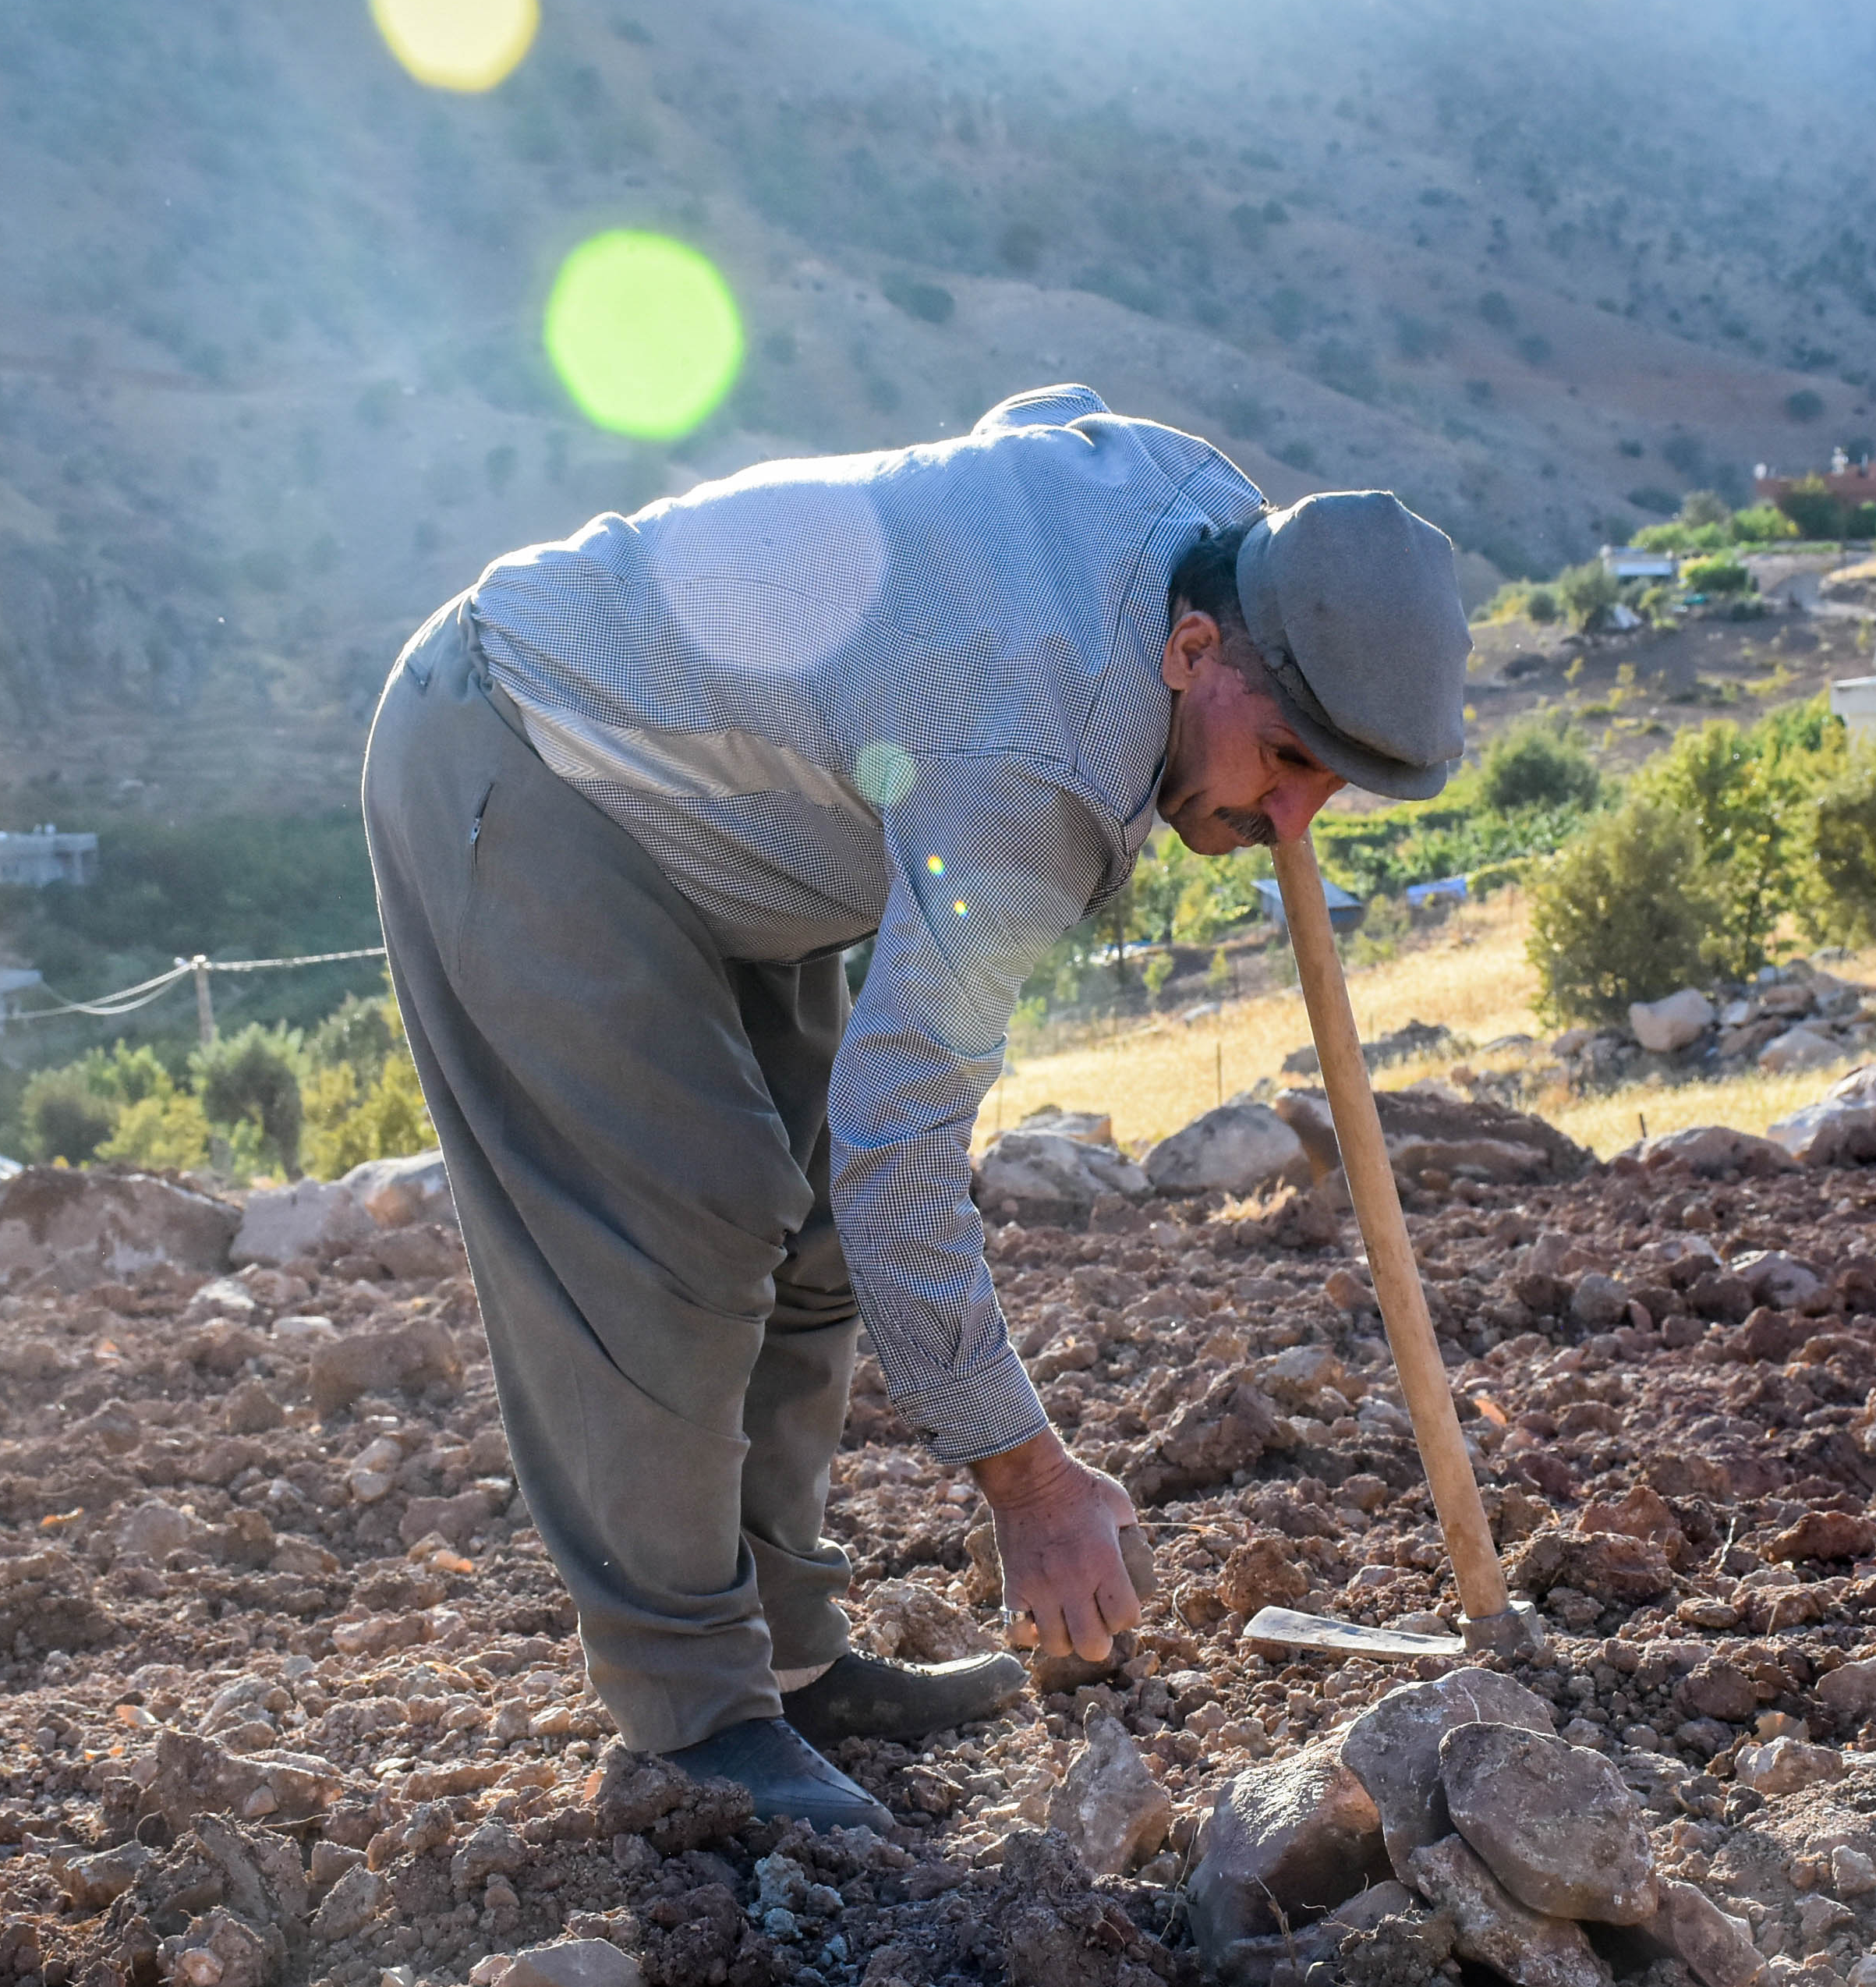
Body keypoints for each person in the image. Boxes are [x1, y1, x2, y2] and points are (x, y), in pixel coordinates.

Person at [359, 385, 1468, 1827]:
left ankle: (796, 1660)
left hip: (735, 823)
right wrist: (1029, 1481)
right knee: (685, 1233)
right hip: (528, 750)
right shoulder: (1036, 767)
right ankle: (692, 1723)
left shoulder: (1206, 515)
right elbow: (903, 1153)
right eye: (1288, 766)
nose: (1290, 822)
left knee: (813, 1228)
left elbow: (1044, 414)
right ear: (1195, 650)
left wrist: (910, 676)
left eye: (1335, 788)